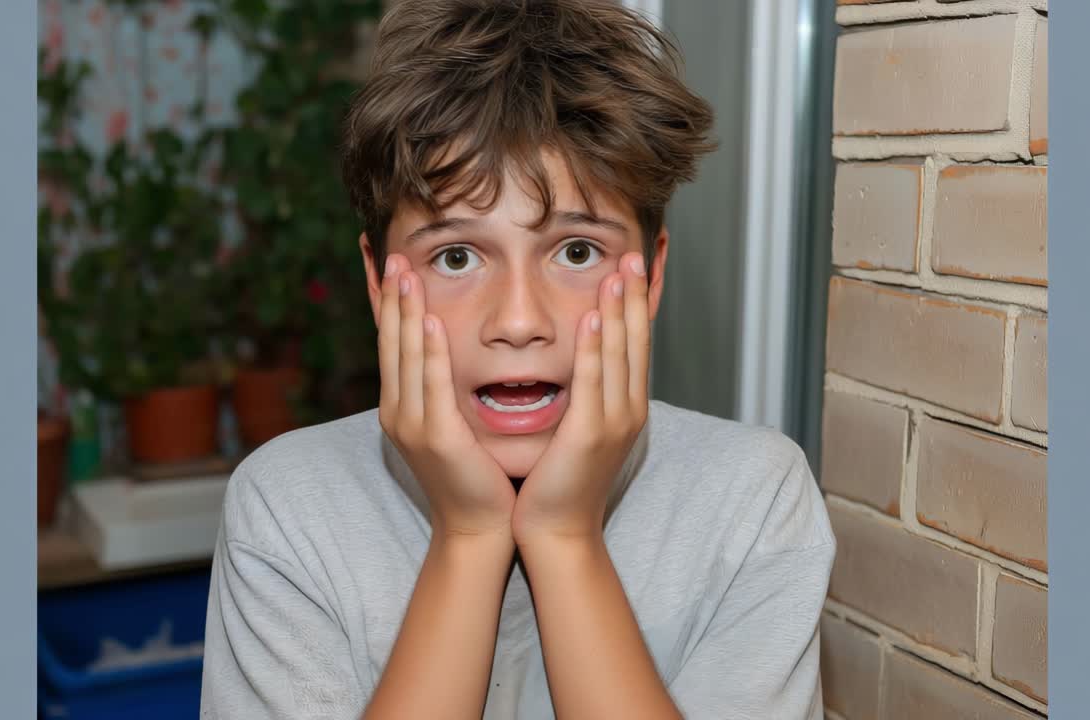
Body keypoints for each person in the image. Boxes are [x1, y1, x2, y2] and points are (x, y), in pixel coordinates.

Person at [200, 1, 835, 717]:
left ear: (651, 279)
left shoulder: (751, 500)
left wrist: (565, 536)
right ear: (378, 285)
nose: (519, 321)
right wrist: (468, 536)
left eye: (575, 251)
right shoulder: (288, 508)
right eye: (458, 255)